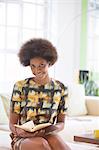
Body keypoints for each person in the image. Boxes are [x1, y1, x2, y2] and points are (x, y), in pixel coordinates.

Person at [9, 38, 71, 150]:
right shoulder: (20, 86)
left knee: (62, 147)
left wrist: (53, 128)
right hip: (23, 137)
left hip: (48, 134)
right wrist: (21, 132)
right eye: (33, 66)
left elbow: (61, 122)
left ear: (50, 63)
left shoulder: (61, 88)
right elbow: (12, 124)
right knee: (41, 145)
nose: (36, 70)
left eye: (41, 65)